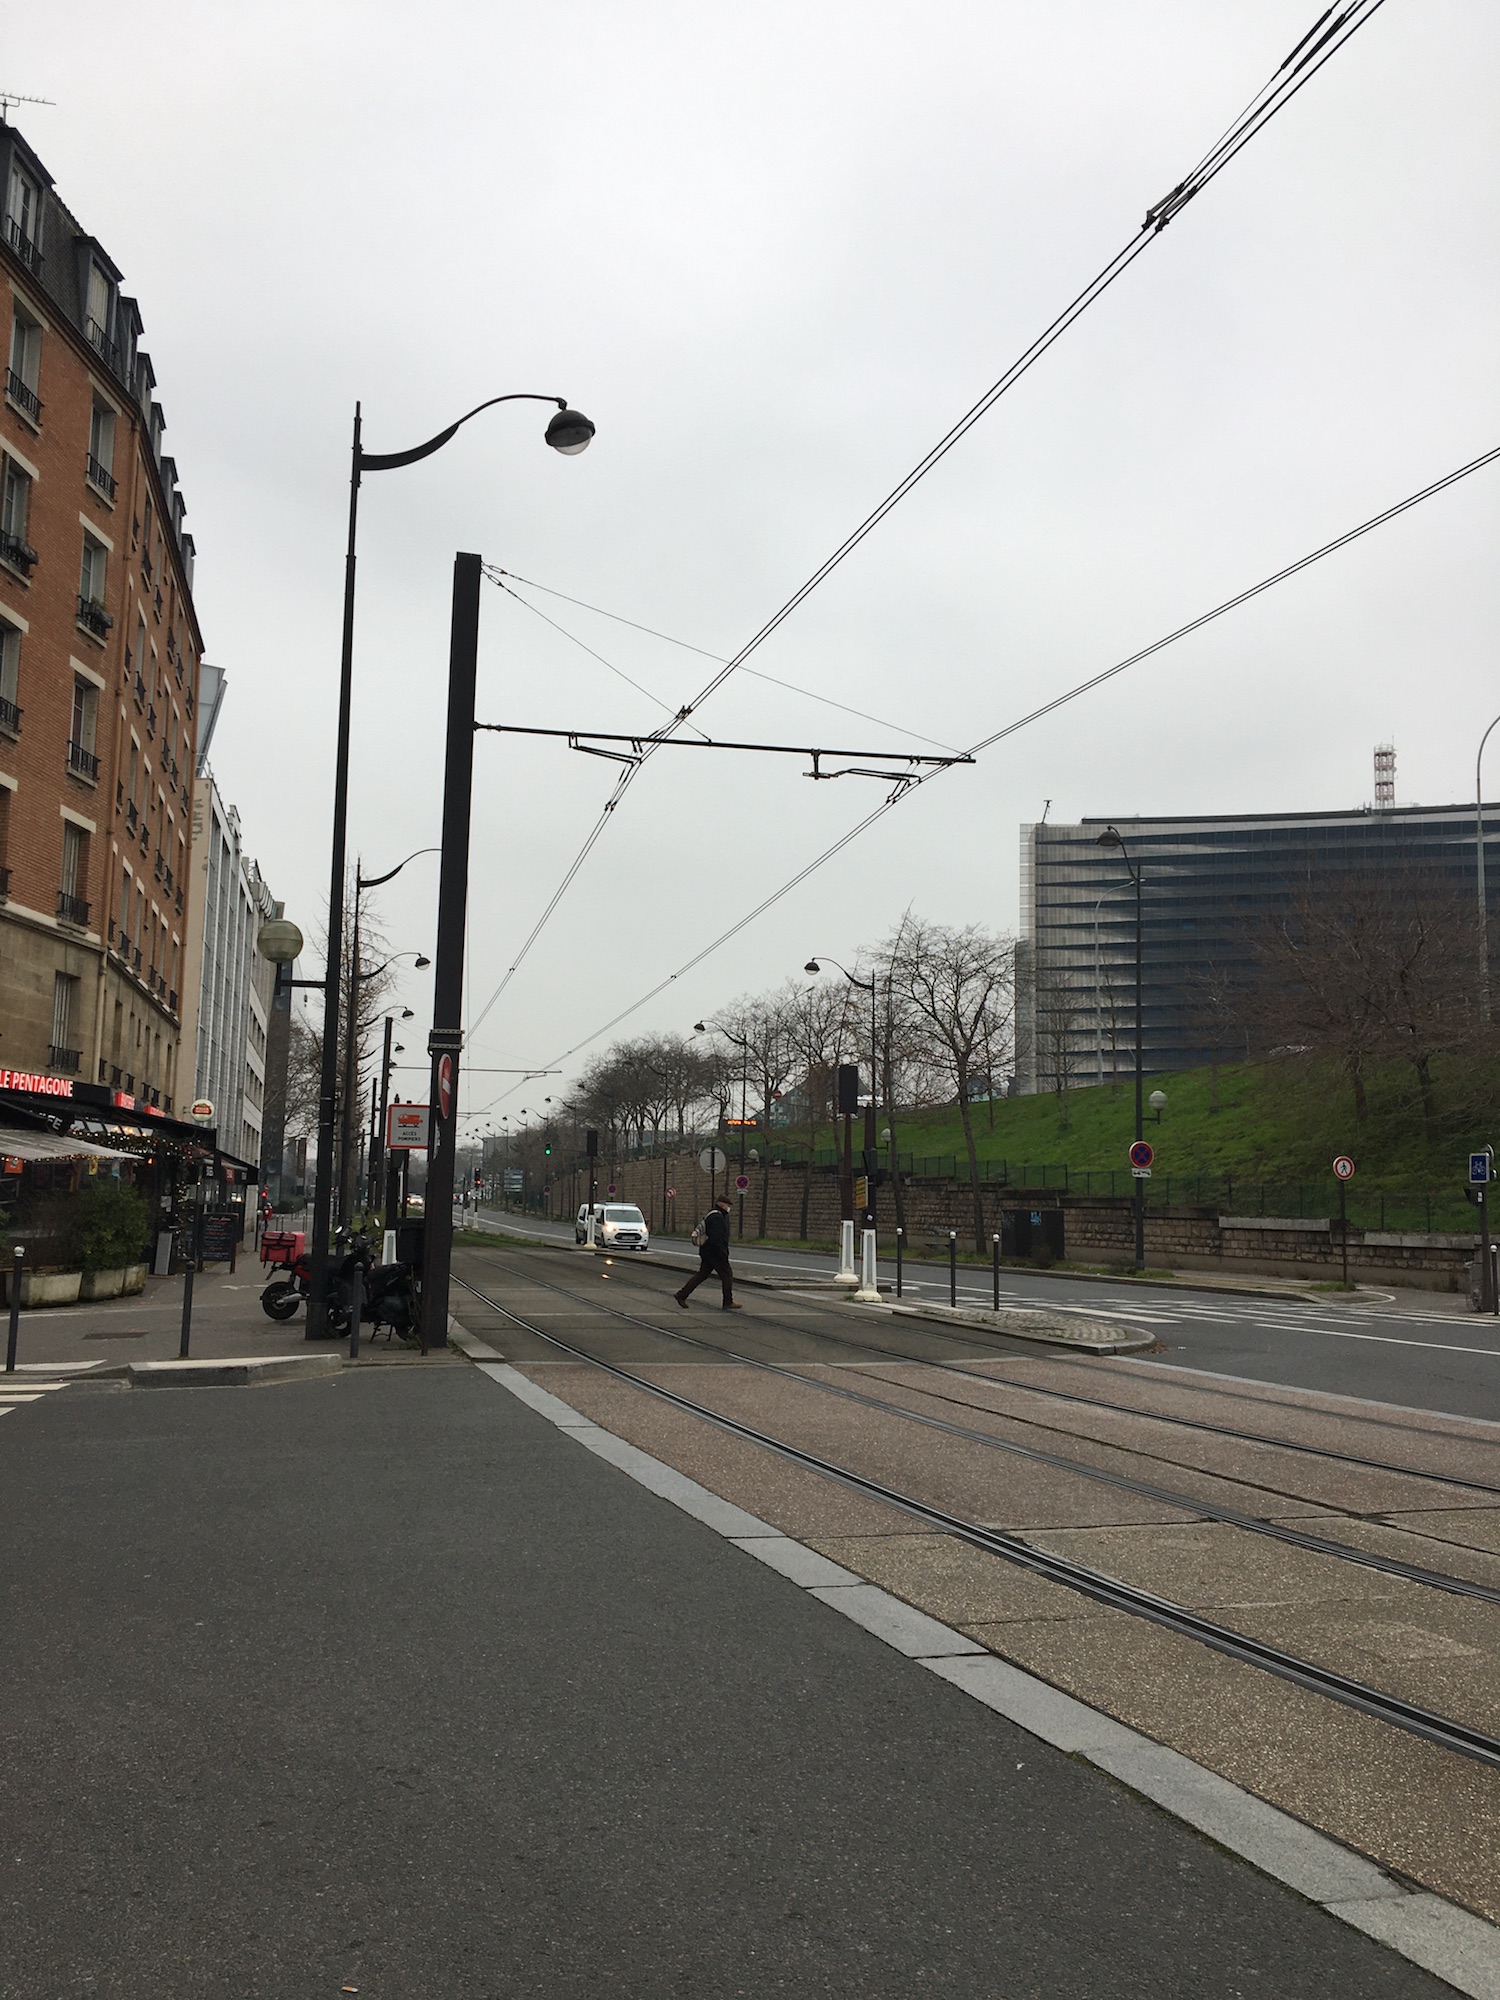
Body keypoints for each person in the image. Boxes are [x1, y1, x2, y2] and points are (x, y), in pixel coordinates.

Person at [674, 1195, 742, 1310]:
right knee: (727, 1275)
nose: (728, 1208)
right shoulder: (717, 1217)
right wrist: (723, 1252)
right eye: (727, 1205)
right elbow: (717, 1238)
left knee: (702, 1275)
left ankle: (681, 1295)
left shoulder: (712, 1214)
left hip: (708, 1252)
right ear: (721, 1204)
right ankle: (727, 1301)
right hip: (715, 1253)